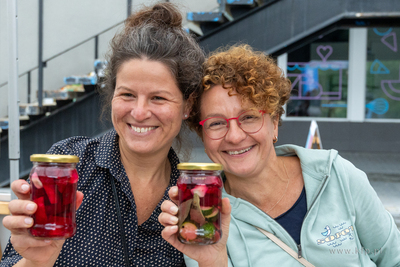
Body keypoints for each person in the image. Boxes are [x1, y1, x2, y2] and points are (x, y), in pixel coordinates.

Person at [1, 3, 205, 266]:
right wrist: (36, 261)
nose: (140, 112)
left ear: (188, 105)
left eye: (158, 98)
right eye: (127, 95)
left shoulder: (194, 193)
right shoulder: (66, 164)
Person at [158, 44, 400, 266]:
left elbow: (393, 257)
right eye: (216, 123)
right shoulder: (204, 213)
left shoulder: (336, 176)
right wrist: (213, 260)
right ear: (202, 135)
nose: (234, 136)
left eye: (249, 117)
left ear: (274, 122)